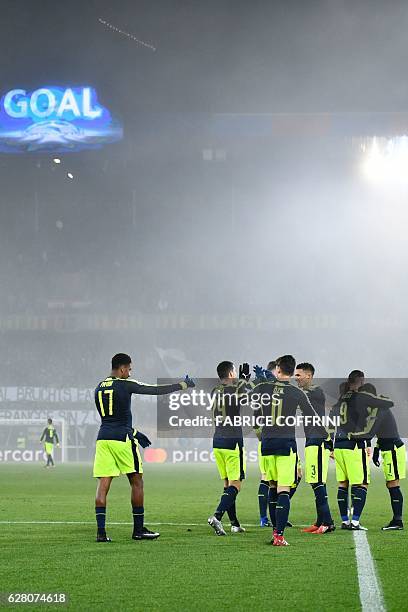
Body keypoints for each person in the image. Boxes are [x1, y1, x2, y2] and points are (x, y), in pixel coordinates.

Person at [93, 352, 194, 542]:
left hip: (103, 439)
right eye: (129, 369)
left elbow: (111, 419)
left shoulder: (98, 387)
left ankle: (101, 533)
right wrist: (182, 385)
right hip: (122, 439)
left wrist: (133, 431)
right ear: (122, 369)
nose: (130, 373)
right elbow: (154, 389)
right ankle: (138, 530)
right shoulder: (126, 384)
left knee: (103, 485)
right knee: (137, 481)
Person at [252, 355, 327, 546]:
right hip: (286, 445)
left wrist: (256, 381)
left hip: (267, 444)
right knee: (284, 489)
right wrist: (327, 436)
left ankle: (273, 532)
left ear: (277, 369)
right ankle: (279, 536)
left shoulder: (263, 388)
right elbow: (312, 416)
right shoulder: (296, 392)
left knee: (271, 487)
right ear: (292, 372)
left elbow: (252, 402)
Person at [332, 371, 393, 530]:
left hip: (338, 445)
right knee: (362, 484)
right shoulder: (361, 396)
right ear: (361, 381)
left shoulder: (341, 399)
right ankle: (356, 522)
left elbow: (332, 420)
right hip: (354, 445)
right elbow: (387, 403)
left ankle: (345, 521)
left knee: (343, 484)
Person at [207, 361, 248, 536]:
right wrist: (245, 381)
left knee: (227, 485)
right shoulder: (235, 389)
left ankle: (234, 523)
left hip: (217, 441)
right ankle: (217, 516)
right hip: (233, 442)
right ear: (231, 374)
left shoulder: (214, 391)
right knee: (236, 485)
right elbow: (246, 399)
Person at [295, 363, 335, 534]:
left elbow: (298, 395)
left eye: (298, 375)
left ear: (309, 376)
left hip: (318, 441)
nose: (295, 378)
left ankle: (328, 523)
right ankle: (320, 521)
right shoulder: (305, 394)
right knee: (314, 481)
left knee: (318, 482)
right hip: (312, 440)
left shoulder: (316, 391)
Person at [360, 383, 406, 531]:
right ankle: (397, 520)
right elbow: (383, 431)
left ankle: (398, 521)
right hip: (387, 448)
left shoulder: (380, 409)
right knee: (390, 484)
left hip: (392, 448)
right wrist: (377, 450)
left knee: (393, 483)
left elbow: (371, 431)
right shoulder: (377, 408)